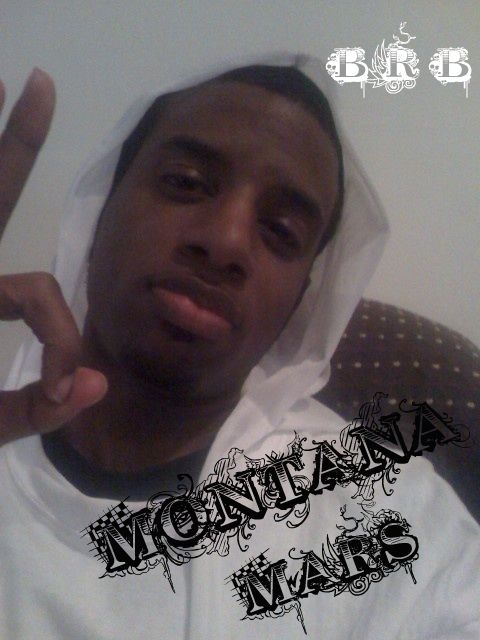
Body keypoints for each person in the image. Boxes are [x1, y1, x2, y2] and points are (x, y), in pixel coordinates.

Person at [0, 55, 478, 639]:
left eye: (281, 231)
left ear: (298, 303)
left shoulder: (382, 516)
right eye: (185, 182)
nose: (226, 241)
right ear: (100, 213)